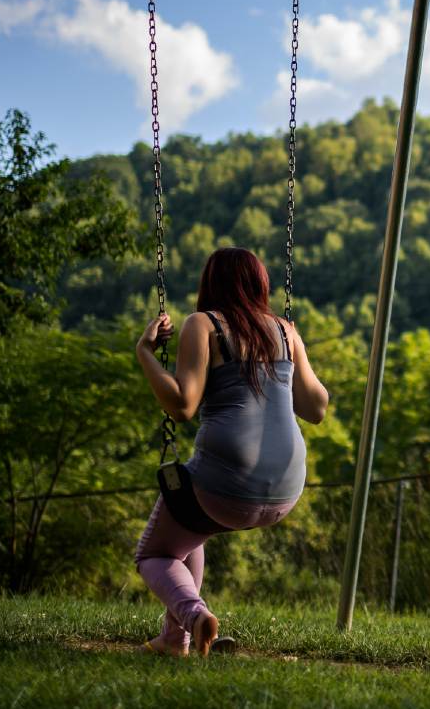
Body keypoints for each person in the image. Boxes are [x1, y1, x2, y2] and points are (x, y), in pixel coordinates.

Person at [134, 247, 329, 657]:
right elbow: (316, 409)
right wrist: (294, 349)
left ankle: (194, 615)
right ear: (261, 284)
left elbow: (183, 406)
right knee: (189, 532)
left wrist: (146, 354)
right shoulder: (285, 331)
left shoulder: (203, 325)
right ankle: (174, 639)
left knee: (153, 553)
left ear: (210, 284)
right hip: (286, 491)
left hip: (225, 486)